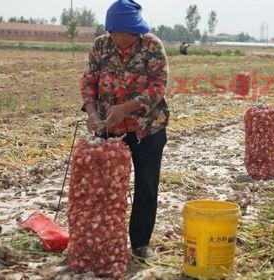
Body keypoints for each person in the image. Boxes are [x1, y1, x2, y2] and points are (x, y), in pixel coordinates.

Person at [80, 0, 169, 260]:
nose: (112, 36)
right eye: (110, 31)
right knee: (103, 187)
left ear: (132, 30)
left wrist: (126, 108)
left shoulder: (151, 46)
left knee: (146, 186)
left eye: (117, 32)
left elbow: (157, 88)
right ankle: (102, 242)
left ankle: (140, 244)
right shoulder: (101, 46)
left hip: (147, 129)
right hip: (110, 128)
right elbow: (89, 80)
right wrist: (93, 112)